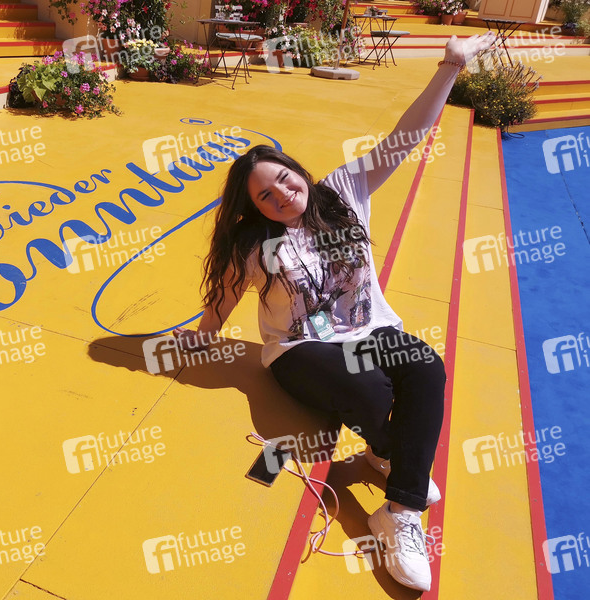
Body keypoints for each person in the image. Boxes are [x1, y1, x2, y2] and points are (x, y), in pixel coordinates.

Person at [173, 33, 497, 592]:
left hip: (371, 329)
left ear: (296, 171)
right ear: (255, 209)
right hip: (300, 350)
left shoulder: (344, 191)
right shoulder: (254, 246)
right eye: (265, 197)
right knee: (370, 389)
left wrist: (450, 66)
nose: (281, 195)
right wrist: (200, 336)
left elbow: (405, 138)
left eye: (283, 179)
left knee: (426, 367)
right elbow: (223, 298)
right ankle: (395, 456)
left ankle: (397, 512)